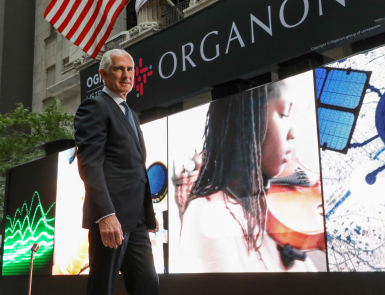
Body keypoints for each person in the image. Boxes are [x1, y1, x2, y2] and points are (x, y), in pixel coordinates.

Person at [178, 80, 325, 273]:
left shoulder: (270, 212)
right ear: (247, 124)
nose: (293, 131)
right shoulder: (207, 214)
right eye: (283, 114)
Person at [74, 49, 159, 295]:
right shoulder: (94, 107)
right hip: (111, 218)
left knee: (147, 286)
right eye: (119, 69)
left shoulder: (131, 114)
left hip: (137, 220)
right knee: (102, 288)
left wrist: (147, 212)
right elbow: (90, 164)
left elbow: (135, 170)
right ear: (103, 74)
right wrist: (106, 215)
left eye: (130, 69)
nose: (126, 75)